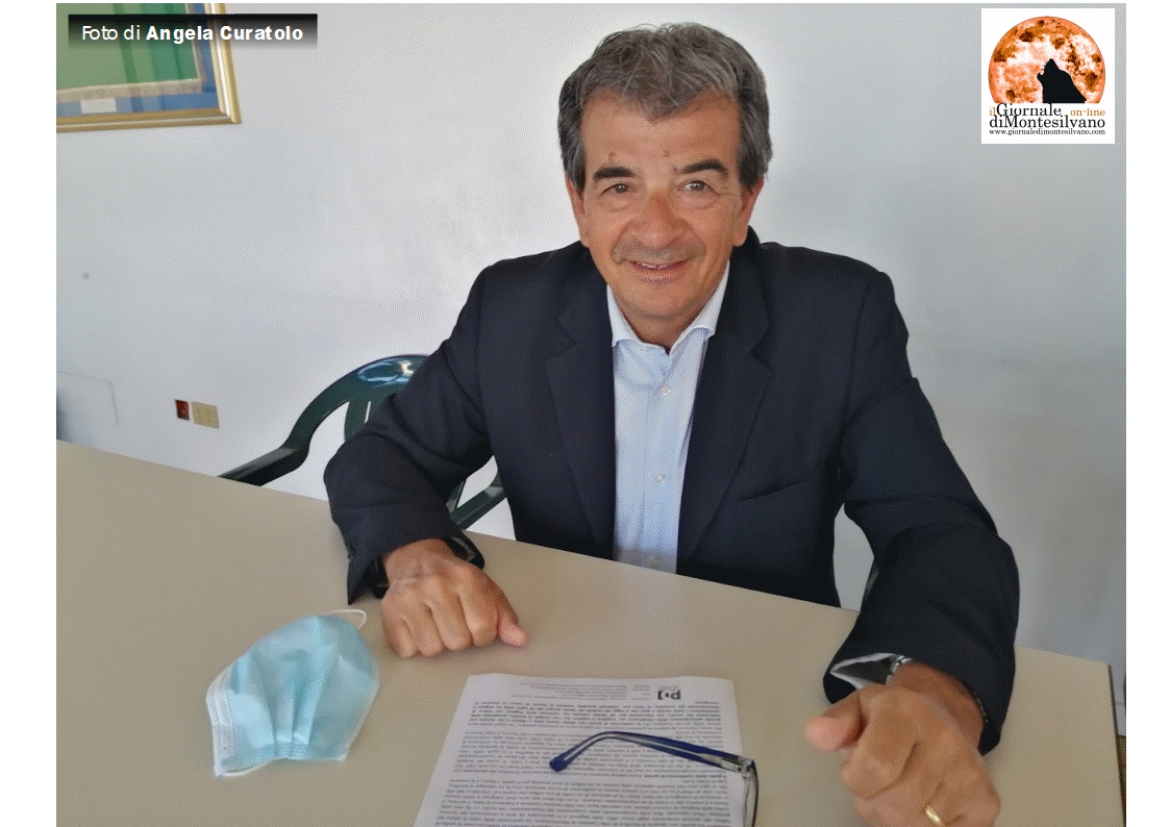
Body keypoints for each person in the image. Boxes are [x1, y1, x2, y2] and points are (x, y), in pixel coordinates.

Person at [325, 23, 1017, 827]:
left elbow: (940, 531)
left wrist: (935, 691)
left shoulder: (839, 318)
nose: (655, 231)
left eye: (695, 184)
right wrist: (416, 556)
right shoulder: (509, 311)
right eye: (619, 186)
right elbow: (383, 457)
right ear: (579, 204)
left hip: (767, 715)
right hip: (552, 686)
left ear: (745, 201)